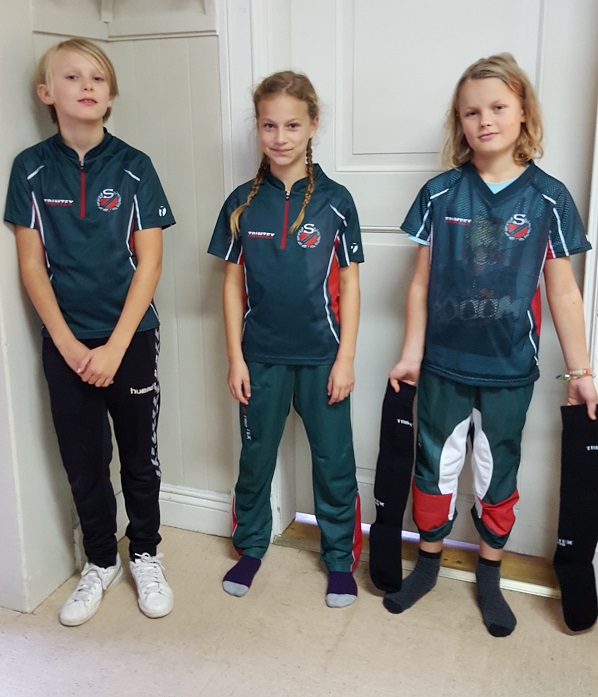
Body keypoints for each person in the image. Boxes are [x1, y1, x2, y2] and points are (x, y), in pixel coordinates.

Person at [381, 53, 597, 637]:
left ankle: (490, 574)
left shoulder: (548, 198)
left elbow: (564, 293)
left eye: (498, 107)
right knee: (435, 466)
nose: (485, 121)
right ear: (459, 121)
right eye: (471, 112)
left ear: (523, 111)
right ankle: (428, 563)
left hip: (510, 371)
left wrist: (582, 372)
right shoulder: (440, 193)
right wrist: (411, 353)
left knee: (496, 470)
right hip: (444, 366)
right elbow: (420, 284)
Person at [4, 38, 175, 626]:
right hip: (66, 345)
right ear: (46, 93)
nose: (87, 86)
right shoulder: (29, 168)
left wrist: (115, 347)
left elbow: (150, 263)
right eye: (72, 77)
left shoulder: (135, 166)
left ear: (111, 96)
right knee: (83, 461)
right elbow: (31, 266)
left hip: (131, 340)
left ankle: (145, 553)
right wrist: (71, 345)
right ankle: (100, 561)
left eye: (98, 78)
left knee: (139, 459)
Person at [208, 71, 364, 607]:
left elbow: (351, 284)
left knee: (334, 461)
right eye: (269, 125)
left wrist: (346, 358)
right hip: (261, 359)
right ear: (258, 128)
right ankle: (251, 546)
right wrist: (235, 358)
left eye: (292, 125)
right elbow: (231, 287)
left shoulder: (337, 201)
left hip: (324, 359)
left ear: (313, 125)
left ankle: (339, 559)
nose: (280, 137)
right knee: (256, 457)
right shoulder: (241, 202)